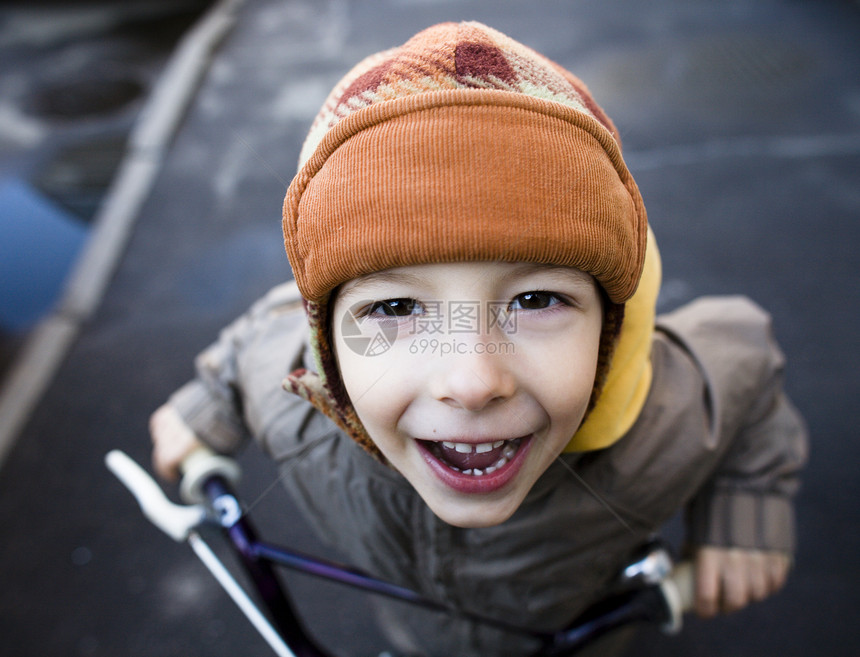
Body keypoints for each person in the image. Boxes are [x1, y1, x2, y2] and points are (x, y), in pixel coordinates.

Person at [149, 22, 807, 656]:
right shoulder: (295, 401)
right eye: (397, 304)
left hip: (586, 633)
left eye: (537, 299)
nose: (472, 382)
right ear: (326, 340)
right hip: (416, 631)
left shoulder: (665, 419)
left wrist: (746, 507)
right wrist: (208, 404)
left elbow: (743, 352)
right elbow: (258, 337)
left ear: (613, 324)